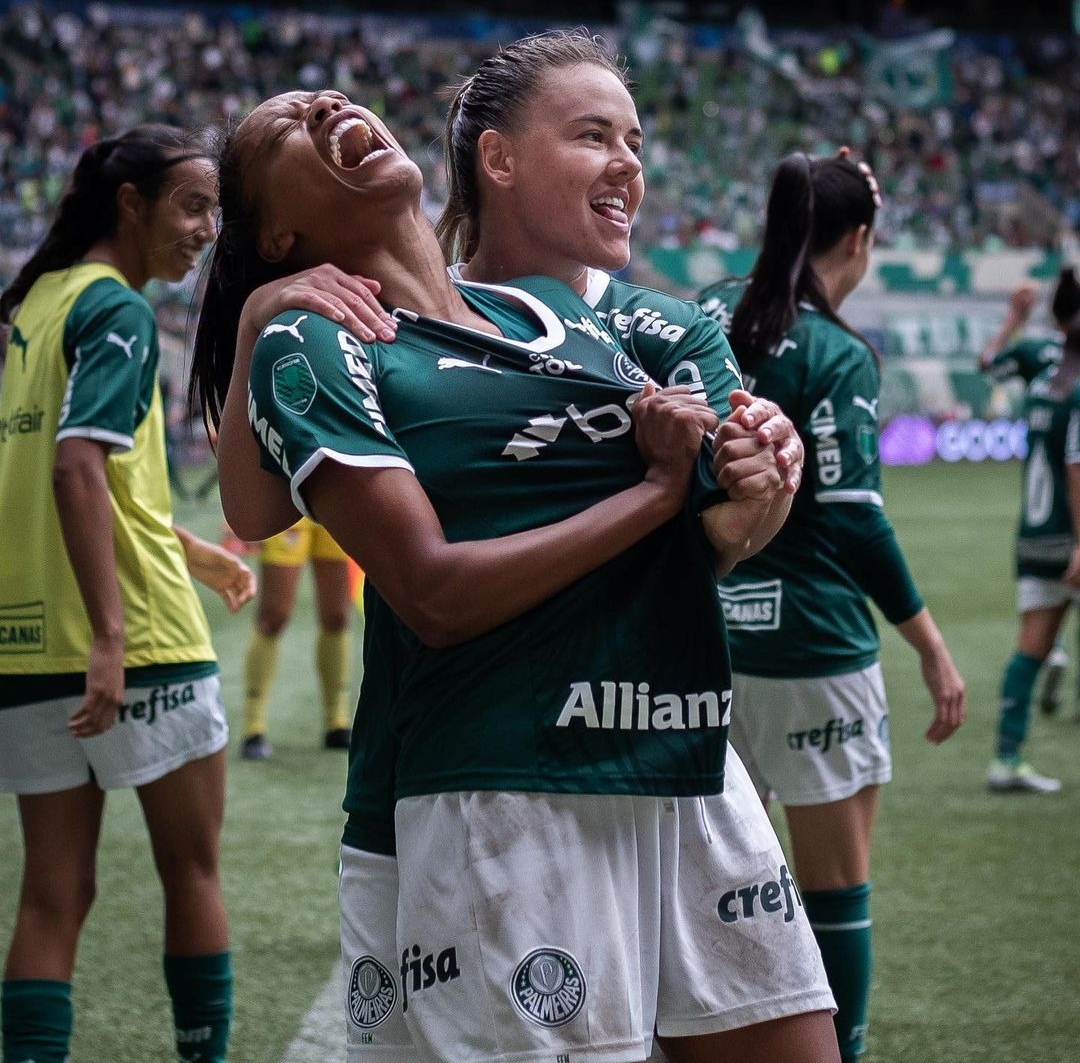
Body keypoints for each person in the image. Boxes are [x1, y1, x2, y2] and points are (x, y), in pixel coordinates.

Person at [189, 81, 841, 1063]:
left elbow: (695, 548)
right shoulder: (316, 334)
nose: (324, 106)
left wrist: (758, 478)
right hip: (506, 779)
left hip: (682, 755)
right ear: (274, 234)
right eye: (284, 124)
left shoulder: (561, 309)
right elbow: (432, 593)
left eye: (329, 98)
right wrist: (661, 493)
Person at [697, 150, 966, 1063]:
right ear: (859, 239)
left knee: (714, 893)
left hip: (708, 648)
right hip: (815, 654)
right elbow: (855, 522)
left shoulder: (707, 314)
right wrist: (930, 644)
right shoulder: (838, 351)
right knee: (836, 890)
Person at [0, 125, 255, 1063]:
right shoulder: (118, 310)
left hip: (26, 646)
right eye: (192, 207)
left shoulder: (38, 305)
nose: (204, 230)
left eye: (214, 212)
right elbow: (75, 471)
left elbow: (82, 480)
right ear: (131, 204)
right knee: (192, 871)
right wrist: (111, 635)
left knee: (49, 895)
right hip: (137, 641)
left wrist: (192, 550)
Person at [982, 268, 1080, 793]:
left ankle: (1005, 759)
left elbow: (987, 366)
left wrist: (1013, 320)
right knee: (1035, 648)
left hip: (1035, 536)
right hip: (1074, 539)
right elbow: (1078, 465)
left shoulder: (1041, 362)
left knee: (1030, 651)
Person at [240, 518, 354, 760]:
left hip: (338, 493)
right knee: (274, 615)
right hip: (288, 498)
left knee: (337, 615)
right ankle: (253, 727)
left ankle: (337, 722)